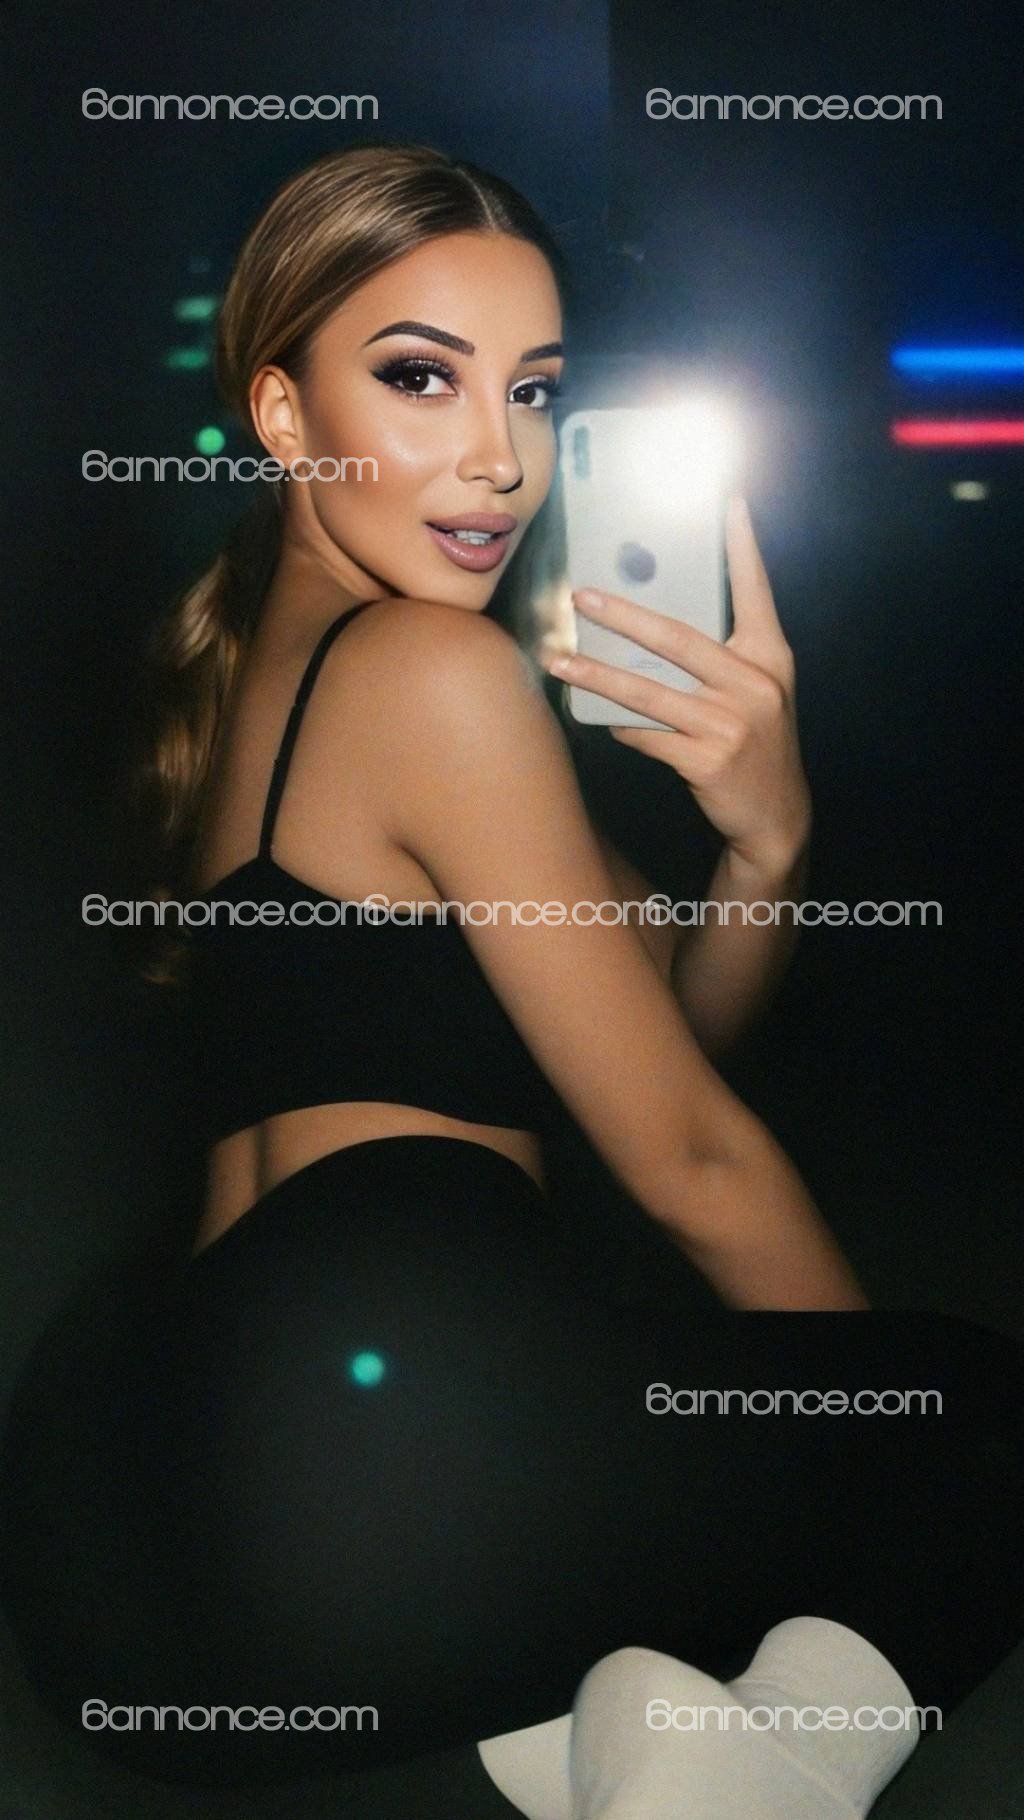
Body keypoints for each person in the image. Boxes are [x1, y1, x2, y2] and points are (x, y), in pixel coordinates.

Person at [1, 142, 1021, 1818]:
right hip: (398, 1453)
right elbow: (688, 1152)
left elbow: (659, 1027)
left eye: (535, 390)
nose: (501, 459)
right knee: (980, 1420)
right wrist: (871, 1452)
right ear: (282, 417)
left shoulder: (273, 674)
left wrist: (763, 846)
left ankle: (582, 1735)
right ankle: (726, 1763)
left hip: (150, 1544)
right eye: (422, 379)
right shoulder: (433, 670)